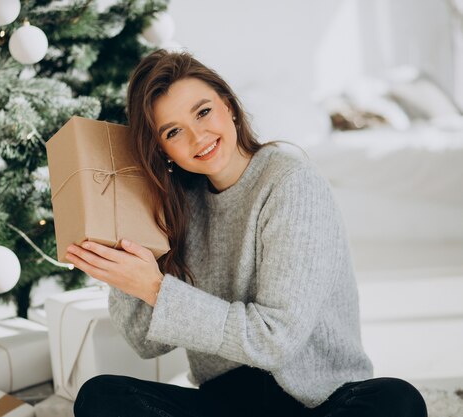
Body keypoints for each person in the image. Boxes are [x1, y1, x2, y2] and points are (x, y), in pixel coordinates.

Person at [64, 49, 428, 417]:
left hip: (317, 402)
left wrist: (155, 288)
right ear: (164, 149)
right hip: (227, 402)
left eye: (203, 112)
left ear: (229, 106)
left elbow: (276, 341)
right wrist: (123, 263)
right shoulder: (177, 205)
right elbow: (144, 341)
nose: (197, 136)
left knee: (398, 401)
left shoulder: (290, 181)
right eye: (174, 131)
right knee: (100, 397)